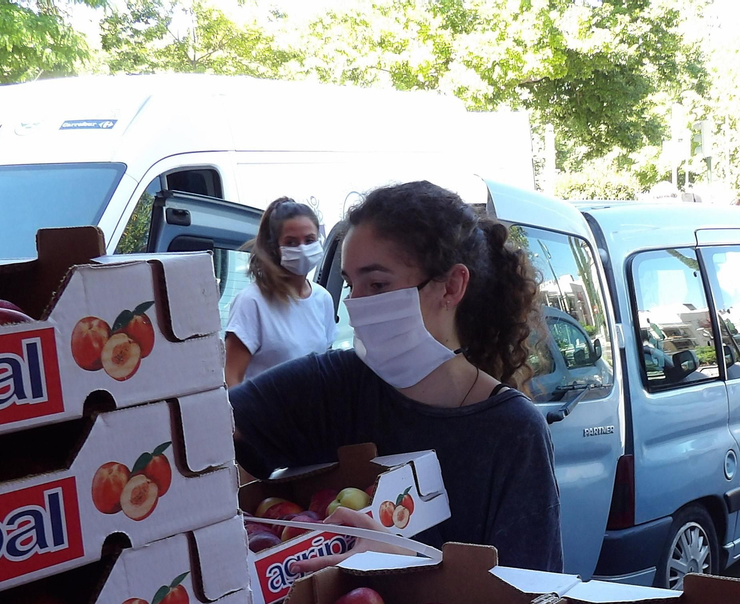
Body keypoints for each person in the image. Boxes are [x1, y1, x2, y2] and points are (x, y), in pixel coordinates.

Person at [228, 180, 563, 572]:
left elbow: (529, 601)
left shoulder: (512, 434)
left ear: (451, 286)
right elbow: (204, 438)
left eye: (378, 284)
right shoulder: (331, 387)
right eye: (352, 285)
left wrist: (413, 563)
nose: (356, 305)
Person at [223, 197, 336, 386]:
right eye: (291, 242)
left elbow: (325, 365)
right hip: (266, 413)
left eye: (309, 240)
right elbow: (231, 378)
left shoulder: (322, 298)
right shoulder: (252, 302)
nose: (302, 249)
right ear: (275, 248)